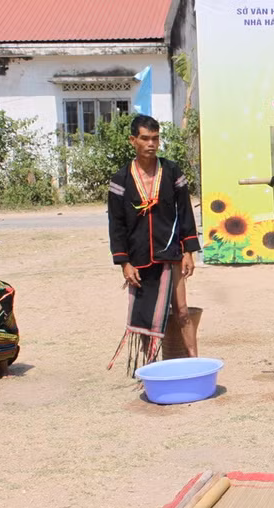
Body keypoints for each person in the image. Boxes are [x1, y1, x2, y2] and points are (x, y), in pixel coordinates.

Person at [107, 115, 200, 373]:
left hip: (171, 252)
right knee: (147, 318)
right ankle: (151, 369)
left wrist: (189, 251)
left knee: (181, 311)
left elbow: (185, 212)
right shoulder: (121, 179)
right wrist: (124, 263)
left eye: (155, 138)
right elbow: (116, 224)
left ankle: (195, 363)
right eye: (145, 138)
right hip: (139, 256)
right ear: (133, 140)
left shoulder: (171, 171)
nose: (151, 144)